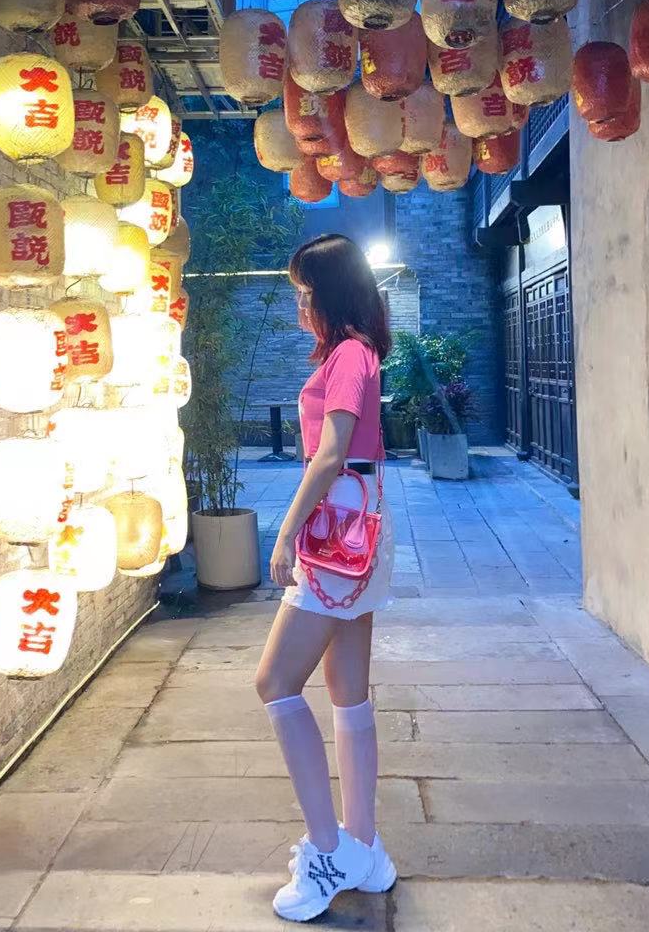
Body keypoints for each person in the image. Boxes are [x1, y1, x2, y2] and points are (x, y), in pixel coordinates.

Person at [255, 233, 396, 922]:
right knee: (348, 691)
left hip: (335, 535)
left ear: (330, 293)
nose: (300, 307)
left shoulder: (347, 355)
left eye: (306, 294)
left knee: (275, 682)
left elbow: (331, 452)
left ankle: (328, 850)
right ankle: (363, 846)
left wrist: (285, 532)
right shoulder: (359, 351)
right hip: (359, 530)